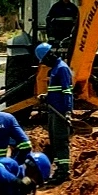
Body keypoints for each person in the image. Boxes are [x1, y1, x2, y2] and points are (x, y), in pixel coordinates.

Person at [36, 42, 73, 183]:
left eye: (44, 60)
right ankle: (58, 169)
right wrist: (46, 97)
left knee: (60, 141)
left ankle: (63, 171)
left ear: (49, 56)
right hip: (53, 111)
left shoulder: (62, 68)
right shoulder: (55, 69)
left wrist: (68, 111)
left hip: (60, 112)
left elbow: (67, 91)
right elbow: (56, 91)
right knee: (55, 141)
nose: (44, 64)